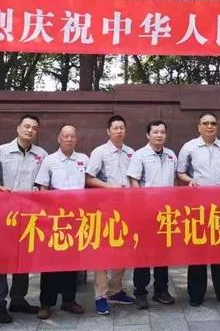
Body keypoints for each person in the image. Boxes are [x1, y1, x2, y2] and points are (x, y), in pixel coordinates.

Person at [0, 114, 48, 324]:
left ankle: (18, 299)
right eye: (27, 126)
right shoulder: (1, 151)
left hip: (29, 214)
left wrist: (38, 189)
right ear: (18, 128)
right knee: (1, 259)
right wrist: (1, 189)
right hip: (4, 214)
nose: (30, 130)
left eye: (34, 128)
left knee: (24, 257)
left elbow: (43, 181)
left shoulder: (41, 154)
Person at [176, 112, 220, 307]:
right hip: (197, 208)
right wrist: (190, 180)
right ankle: (196, 294)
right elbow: (180, 172)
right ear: (199, 127)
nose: (209, 126)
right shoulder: (189, 147)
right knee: (197, 251)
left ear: (217, 126)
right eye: (205, 123)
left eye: (213, 123)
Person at [34, 124, 88, 319]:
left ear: (76, 139)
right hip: (54, 218)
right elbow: (42, 187)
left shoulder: (84, 159)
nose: (69, 139)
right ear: (59, 138)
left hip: (76, 218)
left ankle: (68, 300)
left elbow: (90, 184)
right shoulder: (49, 160)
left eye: (72, 136)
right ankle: (46, 303)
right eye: (65, 136)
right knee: (50, 261)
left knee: (72, 260)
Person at [85, 114, 136, 314]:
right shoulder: (100, 152)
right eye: (115, 128)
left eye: (122, 127)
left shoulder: (131, 152)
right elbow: (88, 178)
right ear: (108, 131)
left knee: (123, 250)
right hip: (105, 209)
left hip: (127, 209)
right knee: (103, 252)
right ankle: (101, 295)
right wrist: (110, 187)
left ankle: (115, 290)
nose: (119, 131)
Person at [127, 120, 178, 309]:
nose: (159, 135)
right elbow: (134, 181)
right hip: (146, 213)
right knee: (143, 254)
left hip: (166, 213)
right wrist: (141, 206)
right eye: (155, 132)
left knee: (163, 253)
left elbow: (174, 181)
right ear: (148, 135)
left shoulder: (171, 155)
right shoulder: (139, 155)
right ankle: (140, 292)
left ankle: (161, 291)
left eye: (162, 132)